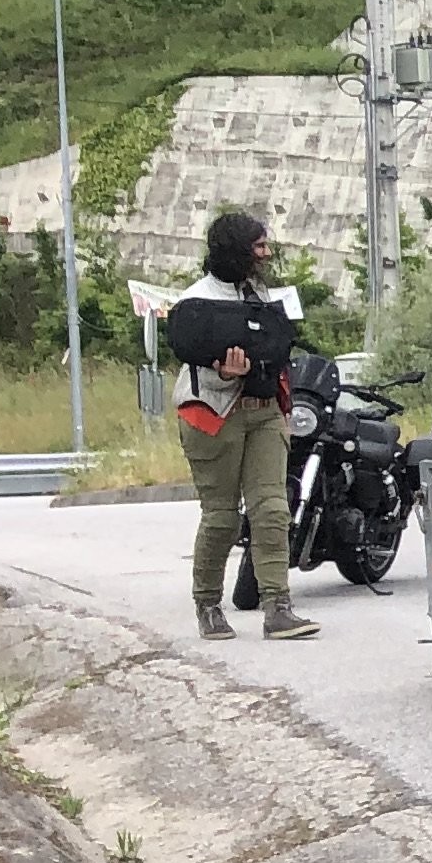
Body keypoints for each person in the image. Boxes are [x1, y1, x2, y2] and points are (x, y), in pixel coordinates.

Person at [164, 209, 314, 643]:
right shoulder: (196, 301)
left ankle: (278, 608)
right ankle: (208, 605)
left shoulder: (262, 296)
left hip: (265, 411)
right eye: (258, 247)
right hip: (214, 412)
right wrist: (222, 369)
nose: (266, 254)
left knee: (272, 509)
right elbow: (190, 350)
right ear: (236, 251)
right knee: (222, 517)